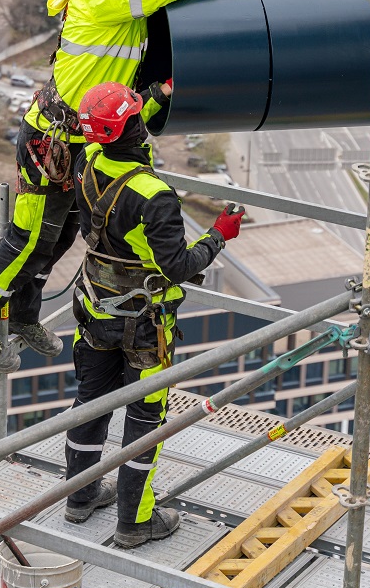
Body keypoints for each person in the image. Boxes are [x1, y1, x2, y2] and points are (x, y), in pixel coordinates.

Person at [0, 0, 261, 374]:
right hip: (50, 138)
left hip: (81, 140)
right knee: (29, 238)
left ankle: (25, 316)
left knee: (64, 233)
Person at [60, 80, 244, 547]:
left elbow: (127, 141)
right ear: (132, 127)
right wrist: (218, 236)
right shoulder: (155, 196)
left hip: (96, 310)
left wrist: (158, 94)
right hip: (144, 326)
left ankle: (79, 499)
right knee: (144, 422)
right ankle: (134, 523)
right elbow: (179, 266)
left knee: (91, 402)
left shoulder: (88, 161)